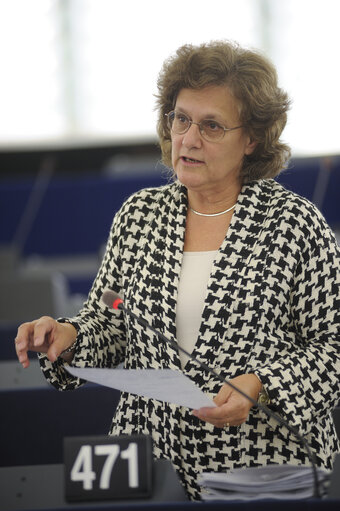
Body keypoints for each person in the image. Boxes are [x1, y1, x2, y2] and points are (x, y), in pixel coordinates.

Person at [15, 40, 340, 500]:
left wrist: (264, 386)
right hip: (151, 459)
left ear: (252, 139)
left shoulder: (295, 224)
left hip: (264, 463)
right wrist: (69, 336)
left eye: (211, 125)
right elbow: (110, 319)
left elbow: (334, 348)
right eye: (181, 118)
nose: (188, 139)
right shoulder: (139, 216)